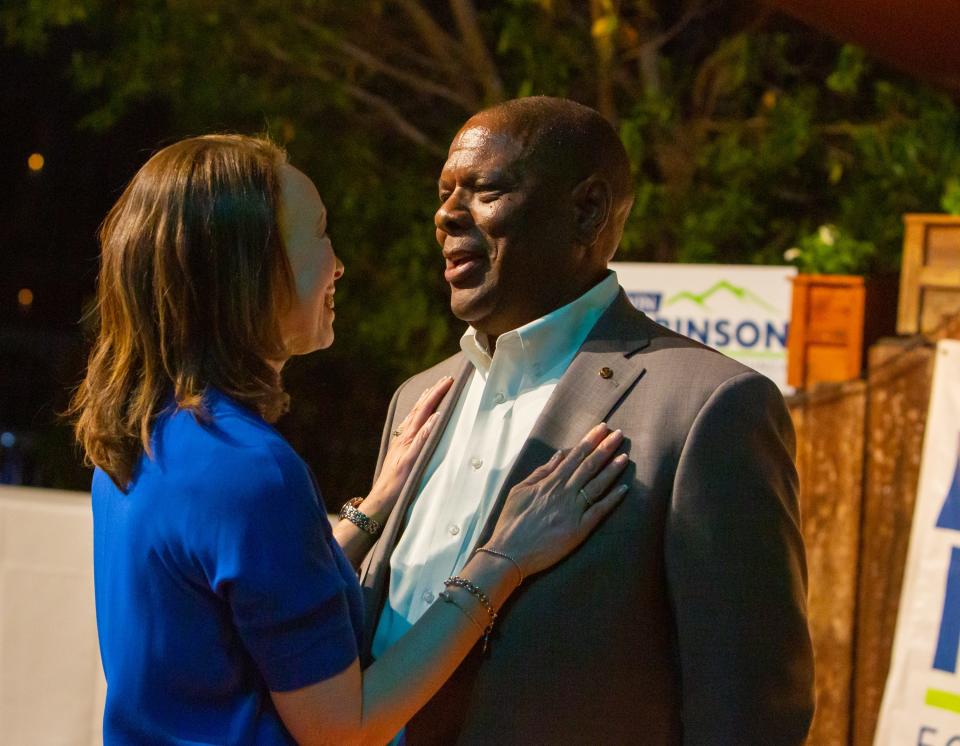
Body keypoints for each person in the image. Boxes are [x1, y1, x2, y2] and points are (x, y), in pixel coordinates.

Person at [70, 134, 631, 745]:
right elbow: (345, 726)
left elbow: (245, 608)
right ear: (248, 269)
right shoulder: (249, 469)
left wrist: (373, 507)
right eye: (317, 233)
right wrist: (505, 557)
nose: (338, 264)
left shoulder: (146, 435)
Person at [362, 97, 816, 745]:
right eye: (442, 193)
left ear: (588, 210)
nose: (446, 215)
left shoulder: (707, 409)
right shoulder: (417, 400)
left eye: (485, 190)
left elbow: (751, 705)